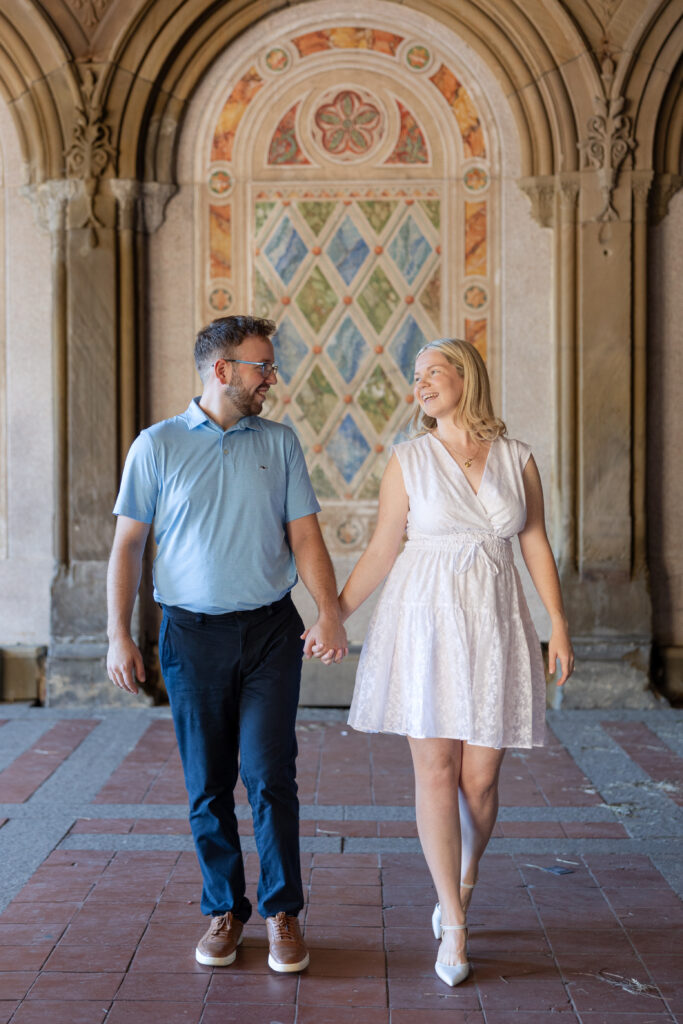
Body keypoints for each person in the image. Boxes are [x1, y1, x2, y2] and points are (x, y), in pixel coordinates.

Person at [106, 315, 347, 974]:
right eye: (261, 366)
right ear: (221, 371)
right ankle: (223, 910)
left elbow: (304, 536)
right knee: (206, 784)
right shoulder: (155, 447)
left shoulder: (280, 442)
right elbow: (128, 544)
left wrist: (328, 613)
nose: (272, 377)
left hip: (270, 630)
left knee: (271, 776)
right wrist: (118, 634)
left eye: (270, 365)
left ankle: (282, 912)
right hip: (189, 635)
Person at [336, 338, 574, 987]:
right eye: (415, 377)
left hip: (494, 625)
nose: (420, 384)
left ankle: (465, 876)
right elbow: (385, 550)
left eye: (431, 372)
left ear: (464, 377)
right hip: (425, 624)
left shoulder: (516, 458)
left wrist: (556, 624)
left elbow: (533, 544)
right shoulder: (408, 460)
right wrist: (333, 612)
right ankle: (454, 920)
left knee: (479, 781)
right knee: (436, 772)